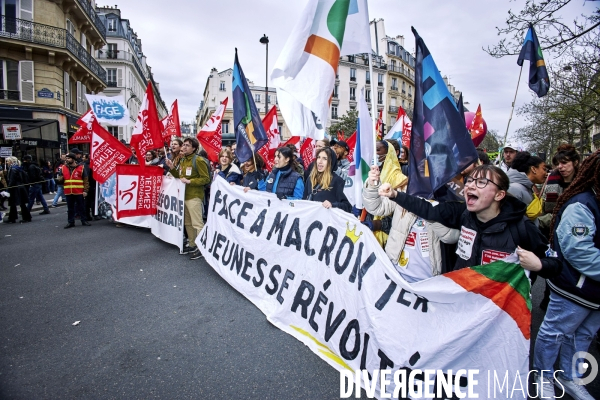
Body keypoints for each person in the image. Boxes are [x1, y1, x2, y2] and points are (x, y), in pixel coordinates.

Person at [377, 164, 562, 277]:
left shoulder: (521, 227)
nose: (471, 185)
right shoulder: (462, 213)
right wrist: (395, 195)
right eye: (470, 181)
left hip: (497, 312)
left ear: (499, 194)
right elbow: (427, 209)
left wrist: (538, 265)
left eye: (481, 182)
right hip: (464, 302)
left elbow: (556, 264)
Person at [532, 150, 600, 400]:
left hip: (595, 292)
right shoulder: (582, 205)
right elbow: (580, 252)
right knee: (555, 332)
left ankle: (570, 376)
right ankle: (544, 375)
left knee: (584, 335)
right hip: (574, 287)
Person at [364, 163, 459, 282]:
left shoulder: (449, 196)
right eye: (420, 167)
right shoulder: (404, 189)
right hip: (396, 271)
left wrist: (429, 211)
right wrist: (372, 185)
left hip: (429, 278)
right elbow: (376, 208)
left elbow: (451, 237)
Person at [165, 138, 210, 260]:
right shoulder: (183, 160)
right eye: (183, 145)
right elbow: (179, 177)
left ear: (194, 148)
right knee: (188, 223)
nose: (184, 147)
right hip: (183, 196)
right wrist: (172, 168)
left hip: (194, 196)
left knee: (197, 223)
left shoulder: (198, 160)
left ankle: (202, 247)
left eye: (187, 145)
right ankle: (192, 243)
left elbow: (206, 179)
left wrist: (190, 181)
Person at [303, 147, 351, 212]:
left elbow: (347, 206)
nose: (320, 161)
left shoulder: (337, 181)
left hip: (329, 221)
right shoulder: (310, 179)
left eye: (324, 159)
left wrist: (332, 205)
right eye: (318, 157)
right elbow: (304, 200)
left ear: (331, 162)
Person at [507, 151, 548, 225]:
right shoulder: (514, 189)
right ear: (533, 169)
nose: (546, 173)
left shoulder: (528, 187)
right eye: (544, 169)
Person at [58, 153, 90, 228]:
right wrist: (59, 180)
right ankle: (70, 222)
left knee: (81, 207)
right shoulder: (63, 168)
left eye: (68, 158)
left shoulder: (81, 168)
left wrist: (85, 190)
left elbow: (86, 180)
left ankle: (84, 220)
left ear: (73, 159)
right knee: (70, 208)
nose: (67, 160)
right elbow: (60, 178)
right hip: (68, 191)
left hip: (79, 191)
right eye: (66, 158)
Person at [5, 156, 31, 223]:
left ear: (11, 161)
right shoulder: (18, 168)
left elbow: (12, 180)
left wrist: (8, 189)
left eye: (7, 161)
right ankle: (14, 217)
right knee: (18, 203)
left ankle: (15, 218)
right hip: (20, 187)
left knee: (15, 203)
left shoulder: (13, 169)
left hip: (15, 188)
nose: (7, 162)